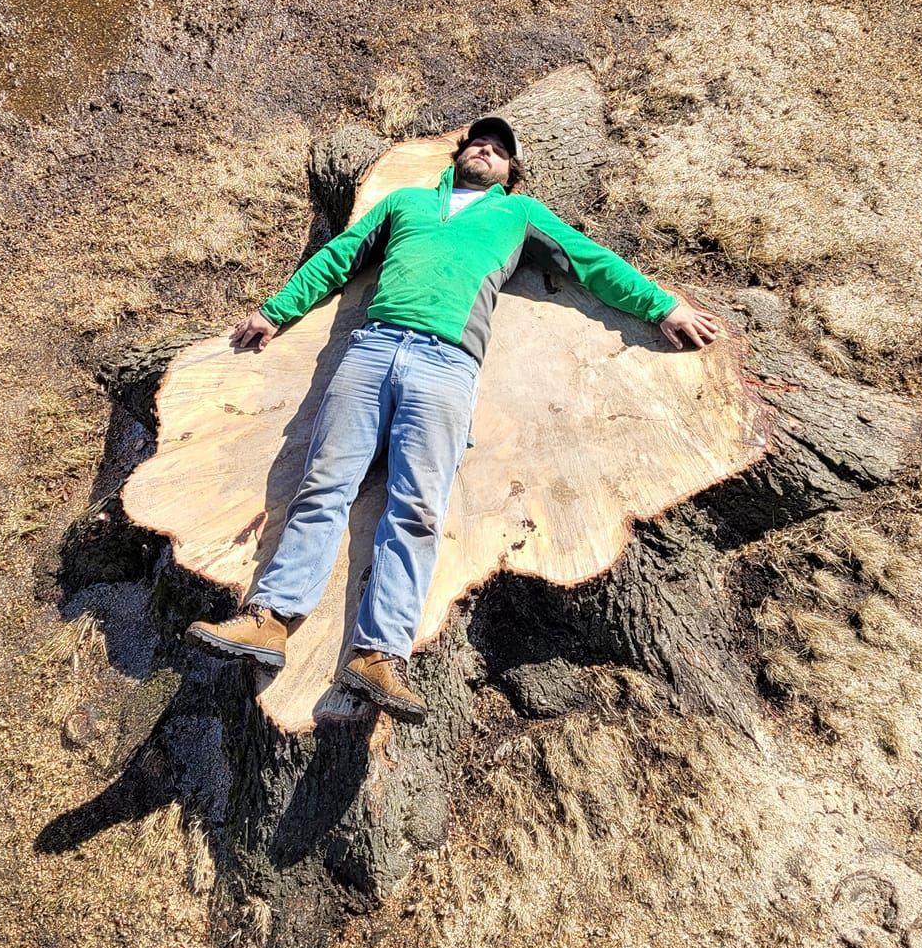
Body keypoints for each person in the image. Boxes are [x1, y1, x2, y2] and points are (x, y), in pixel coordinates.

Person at [185, 114, 719, 724]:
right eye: (478, 142)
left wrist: (663, 305)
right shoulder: (404, 202)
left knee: (416, 508)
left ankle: (378, 656)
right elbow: (338, 257)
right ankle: (271, 622)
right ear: (459, 155)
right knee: (324, 485)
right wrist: (277, 310)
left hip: (448, 366)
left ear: (510, 171)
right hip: (372, 347)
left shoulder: (517, 215)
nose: (487, 149)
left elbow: (591, 263)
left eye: (500, 150)